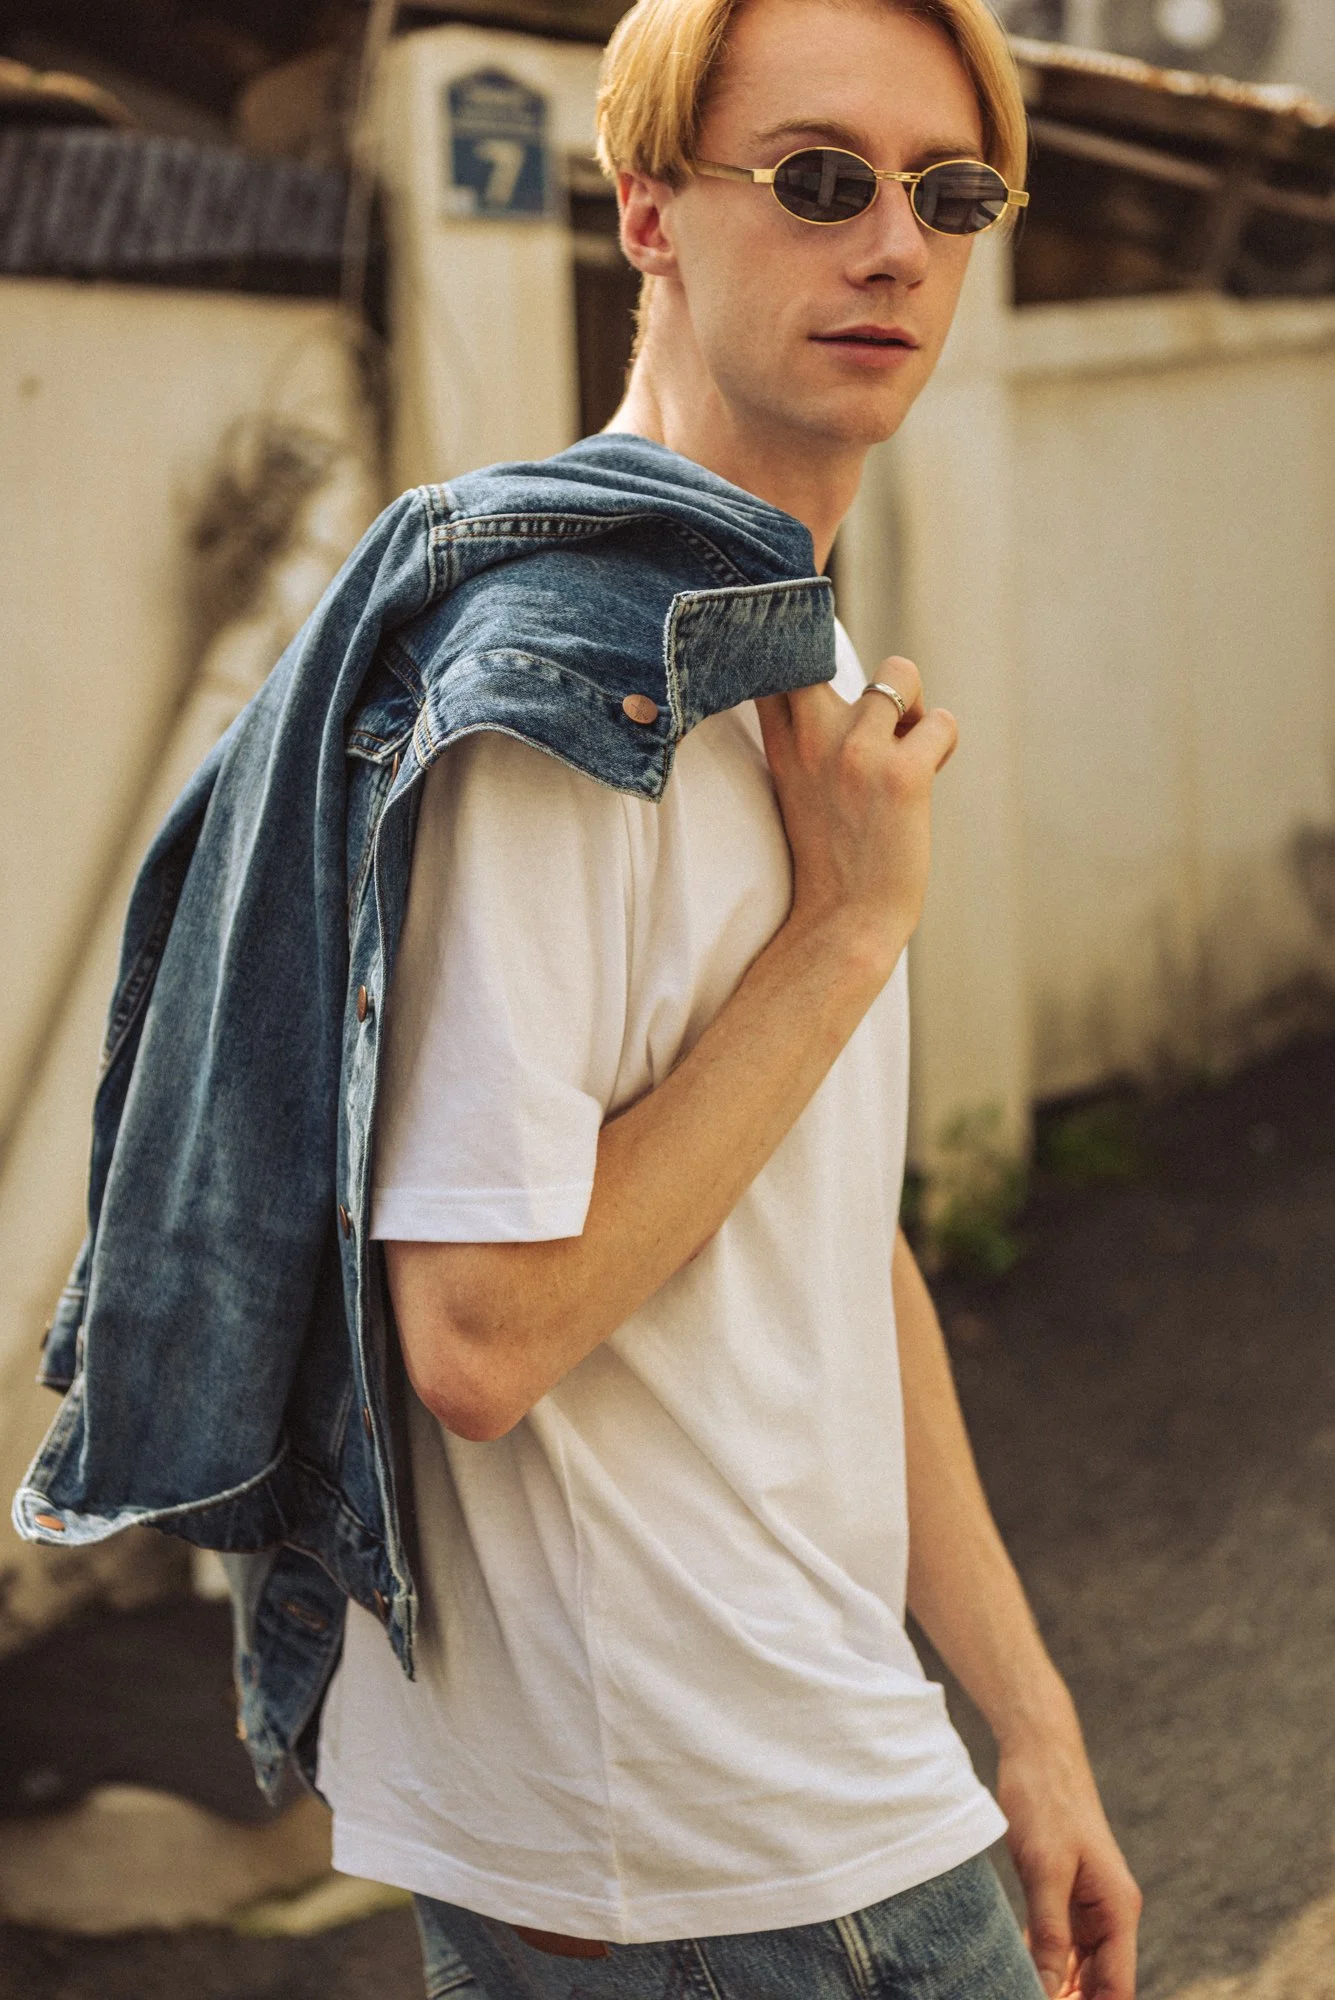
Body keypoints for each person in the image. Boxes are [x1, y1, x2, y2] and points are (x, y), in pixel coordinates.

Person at [311, 1, 1141, 1997]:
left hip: (794, 1785)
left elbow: (822, 1236)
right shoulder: (568, 681)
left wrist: (1026, 1720)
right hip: (711, 1860)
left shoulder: (784, 644)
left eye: (950, 193)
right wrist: (842, 934)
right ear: (647, 213)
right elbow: (478, 1332)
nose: (895, 247)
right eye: (819, 179)